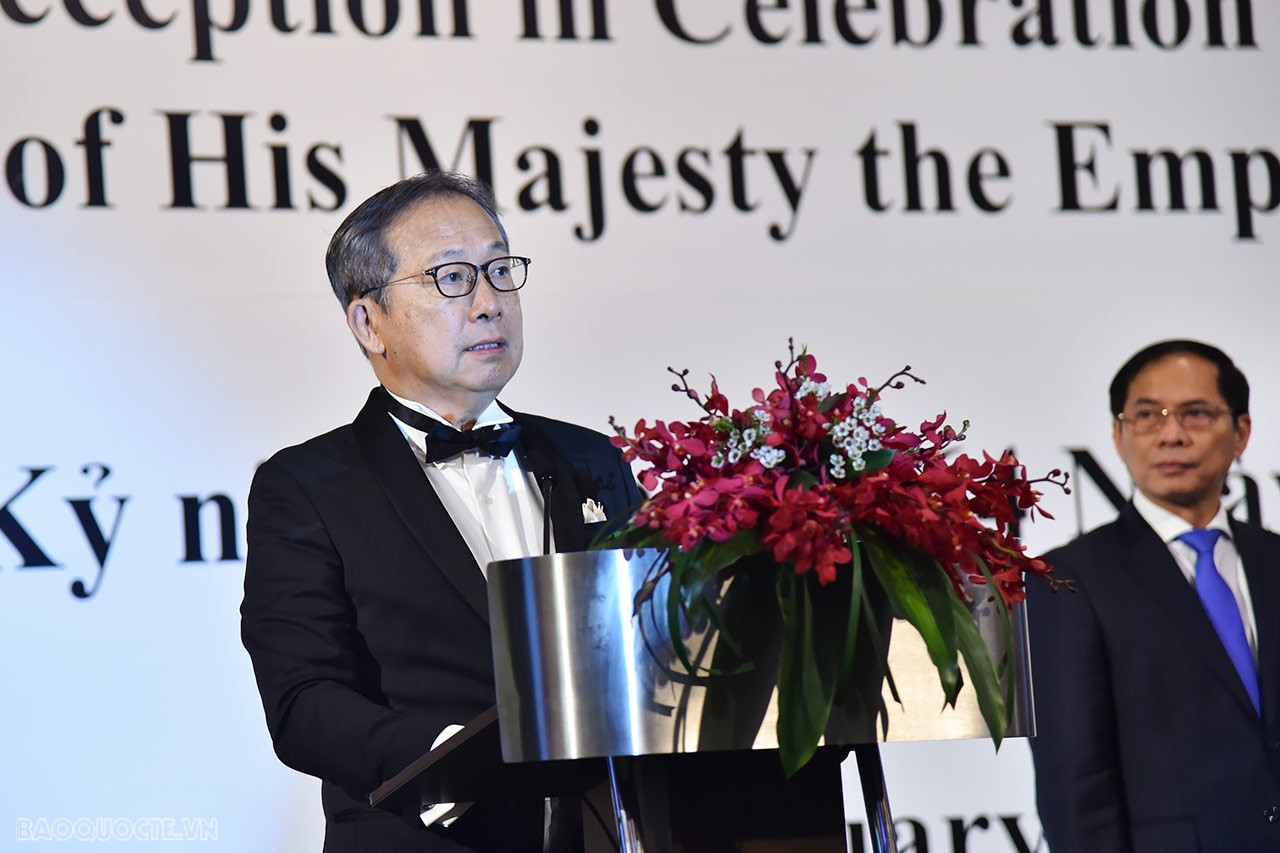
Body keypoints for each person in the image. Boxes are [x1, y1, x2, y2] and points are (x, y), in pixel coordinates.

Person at [240, 170, 641, 852]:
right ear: (369, 321)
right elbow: (302, 700)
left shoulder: (590, 457)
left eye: (500, 270)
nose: (489, 303)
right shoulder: (307, 485)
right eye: (451, 278)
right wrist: (448, 760)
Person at [1028, 339, 1280, 853]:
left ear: (1242, 432)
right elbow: (1074, 782)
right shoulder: (1070, 579)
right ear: (1118, 437)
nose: (1172, 434)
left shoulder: (1273, 559)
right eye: (1147, 416)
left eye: (1196, 413)